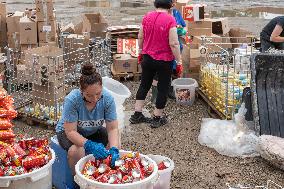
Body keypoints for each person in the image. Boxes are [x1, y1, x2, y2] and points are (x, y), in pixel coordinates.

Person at [55, 63, 120, 176]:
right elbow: (70, 132)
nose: (95, 99)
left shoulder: (108, 99)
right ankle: (78, 181)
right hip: (68, 132)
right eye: (89, 95)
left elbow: (113, 128)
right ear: (82, 91)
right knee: (77, 150)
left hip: (92, 130)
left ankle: (107, 176)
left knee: (115, 141)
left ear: (102, 88)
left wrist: (114, 149)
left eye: (98, 94)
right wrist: (89, 145)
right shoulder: (73, 99)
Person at [130, 0, 183, 128]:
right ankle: (157, 117)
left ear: (156, 4)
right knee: (163, 88)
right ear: (170, 5)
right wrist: (179, 61)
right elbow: (174, 43)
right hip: (164, 61)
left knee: (144, 85)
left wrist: (141, 51)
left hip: (147, 57)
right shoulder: (170, 20)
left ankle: (137, 114)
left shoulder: (147, 16)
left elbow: (140, 37)